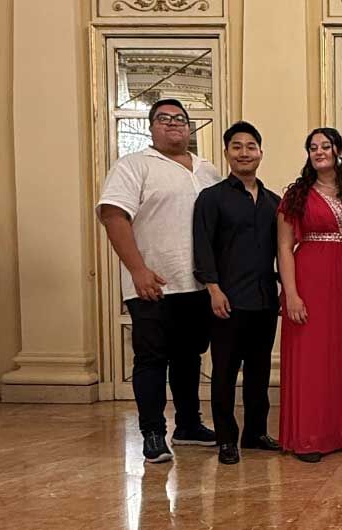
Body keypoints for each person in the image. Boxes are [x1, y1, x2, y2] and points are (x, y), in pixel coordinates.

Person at [97, 98, 219, 463]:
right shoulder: (134, 165)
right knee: (151, 359)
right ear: (151, 127)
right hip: (153, 283)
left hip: (196, 284)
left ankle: (189, 425)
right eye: (163, 118)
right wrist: (138, 269)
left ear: (189, 126)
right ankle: (152, 432)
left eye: (180, 118)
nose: (173, 123)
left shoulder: (208, 170)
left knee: (189, 357)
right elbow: (113, 216)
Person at [193, 121, 282, 465]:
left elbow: (283, 251)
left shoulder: (274, 202)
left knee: (259, 371)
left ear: (261, 152)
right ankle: (227, 438)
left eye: (251, 146)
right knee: (225, 373)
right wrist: (213, 289)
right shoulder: (212, 198)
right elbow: (202, 247)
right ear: (227, 153)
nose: (245, 153)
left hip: (264, 300)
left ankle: (255, 432)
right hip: (226, 300)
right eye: (237, 146)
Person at [277, 127, 342, 463]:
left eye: (325, 146)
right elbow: (284, 248)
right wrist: (291, 294)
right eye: (312, 147)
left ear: (339, 151)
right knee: (311, 359)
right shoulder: (297, 194)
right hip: (310, 280)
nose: (318, 152)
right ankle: (309, 436)